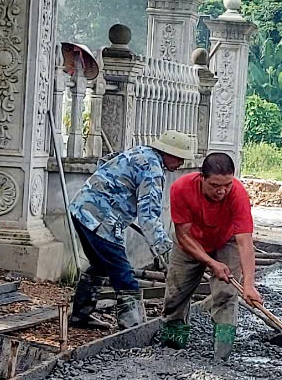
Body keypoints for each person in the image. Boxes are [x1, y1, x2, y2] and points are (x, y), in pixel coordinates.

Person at [68, 131, 195, 331]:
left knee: (101, 265)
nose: (181, 164)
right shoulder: (153, 170)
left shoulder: (139, 152)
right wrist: (166, 251)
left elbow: (105, 163)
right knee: (124, 276)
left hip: (81, 209)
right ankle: (133, 327)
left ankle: (81, 315)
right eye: (179, 158)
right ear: (168, 152)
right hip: (101, 219)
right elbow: (149, 217)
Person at [161, 152, 265, 358]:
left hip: (225, 240)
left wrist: (249, 285)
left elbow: (245, 243)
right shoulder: (181, 188)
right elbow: (182, 235)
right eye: (216, 185)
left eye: (227, 184)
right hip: (190, 241)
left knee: (226, 293)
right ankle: (172, 347)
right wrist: (211, 263)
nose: (222, 191)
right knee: (176, 293)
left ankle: (221, 354)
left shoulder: (237, 194)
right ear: (202, 178)